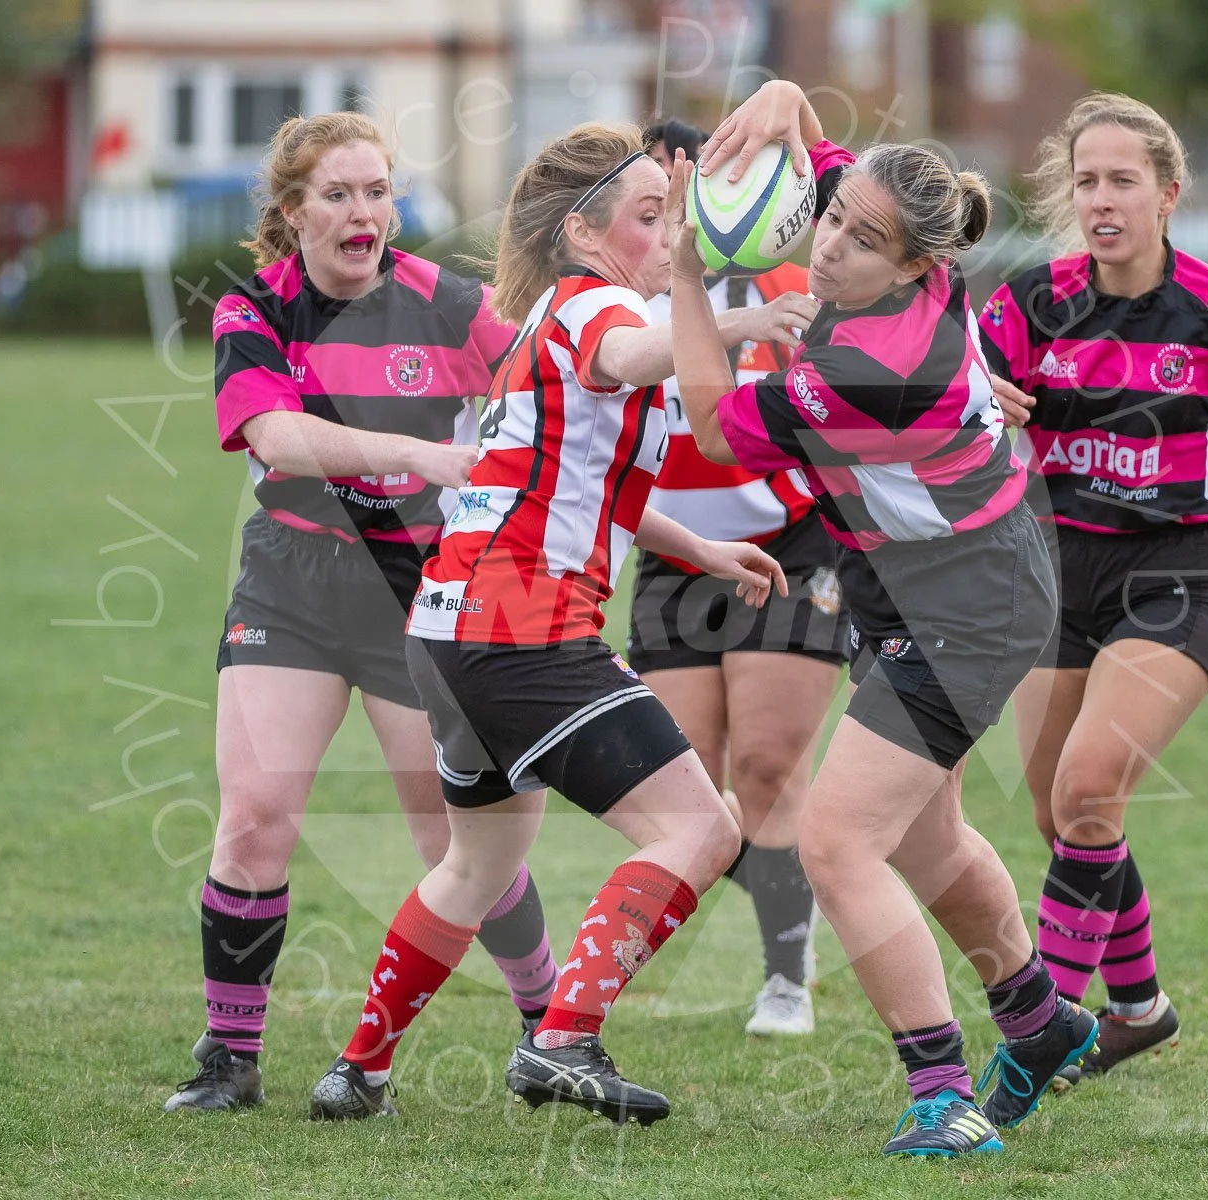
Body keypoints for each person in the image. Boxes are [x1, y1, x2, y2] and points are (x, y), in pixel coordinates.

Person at [309, 121, 813, 1125]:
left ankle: (359, 1069)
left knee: (477, 865)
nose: (667, 231)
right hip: (521, 625)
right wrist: (739, 324)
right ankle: (564, 1040)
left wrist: (700, 548)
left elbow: (578, 480)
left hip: (451, 628)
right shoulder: (594, 309)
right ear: (585, 235)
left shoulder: (553, 310)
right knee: (701, 829)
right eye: (648, 215)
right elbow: (630, 355)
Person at [669, 79, 1101, 1159]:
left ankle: (940, 1096)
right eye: (833, 222)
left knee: (837, 840)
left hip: (968, 607)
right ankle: (1041, 1023)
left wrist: (682, 268)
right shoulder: (901, 250)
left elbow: (720, 427)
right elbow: (824, 158)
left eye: (860, 244)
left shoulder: (875, 364)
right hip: (944, 587)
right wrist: (784, 98)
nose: (828, 250)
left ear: (916, 267)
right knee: (922, 833)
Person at [164, 112, 562, 1113]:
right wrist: (422, 455)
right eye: (338, 194)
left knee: (454, 843)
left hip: (414, 592)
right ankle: (229, 1058)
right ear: (293, 213)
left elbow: (553, 387)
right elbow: (276, 436)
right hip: (291, 583)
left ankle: (549, 1025)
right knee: (254, 819)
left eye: (377, 191)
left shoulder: (446, 304)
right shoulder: (254, 308)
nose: (363, 212)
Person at [977, 92, 1208, 1087]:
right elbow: (950, 390)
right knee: (1065, 820)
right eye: (1087, 181)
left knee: (1088, 788)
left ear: (1167, 193)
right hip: (1052, 569)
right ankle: (1137, 1007)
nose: (1102, 199)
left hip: (1173, 574)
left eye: (1123, 181)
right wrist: (985, 400)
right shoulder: (1029, 302)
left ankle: (1037, 1041)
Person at [630, 119, 847, 1036]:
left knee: (765, 768)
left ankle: (786, 979)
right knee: (683, 788)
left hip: (793, 552)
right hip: (673, 557)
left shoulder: (799, 294)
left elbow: (870, 391)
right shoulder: (620, 306)